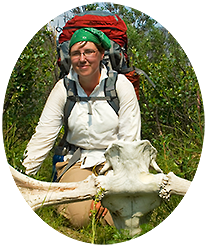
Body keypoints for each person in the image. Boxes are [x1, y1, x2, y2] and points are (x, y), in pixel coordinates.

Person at [22, 27, 141, 228]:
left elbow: (130, 139)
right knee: (79, 218)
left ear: (102, 54)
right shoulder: (64, 87)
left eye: (89, 52)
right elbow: (44, 133)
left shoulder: (120, 85)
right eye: (76, 53)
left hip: (116, 162)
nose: (82, 59)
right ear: (70, 57)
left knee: (119, 217)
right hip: (77, 160)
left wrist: (116, 185)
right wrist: (24, 177)